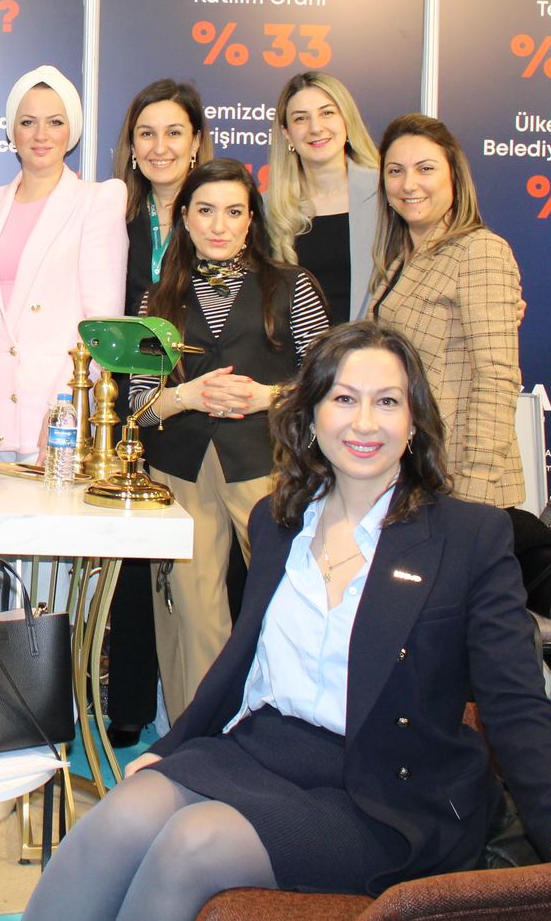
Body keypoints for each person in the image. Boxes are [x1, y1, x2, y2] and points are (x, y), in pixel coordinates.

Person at [25, 322, 551, 921]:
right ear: (311, 415)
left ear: (414, 422)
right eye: (344, 399)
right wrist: (172, 746)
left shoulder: (468, 538)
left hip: (391, 790)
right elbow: (243, 659)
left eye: (388, 402)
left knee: (193, 842)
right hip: (268, 748)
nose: (364, 422)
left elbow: (513, 697)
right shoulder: (277, 521)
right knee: (122, 813)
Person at [128, 158, 329, 719]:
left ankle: (295, 727)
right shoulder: (156, 299)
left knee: (289, 600)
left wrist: (267, 397)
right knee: (192, 613)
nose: (219, 225)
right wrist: (187, 395)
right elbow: (139, 404)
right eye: (206, 210)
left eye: (234, 212)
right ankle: (196, 734)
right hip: (180, 469)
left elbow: (328, 385)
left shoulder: (291, 286)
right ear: (184, 219)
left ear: (251, 220)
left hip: (268, 465)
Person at [0, 65, 127, 455]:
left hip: (51, 416)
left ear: (71, 131)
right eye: (28, 122)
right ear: (12, 131)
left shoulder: (98, 201)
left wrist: (66, 409)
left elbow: (100, 326)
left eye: (55, 122)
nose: (41, 135)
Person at [363, 114, 523, 505]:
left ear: (454, 176)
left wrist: (475, 491)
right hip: (410, 474)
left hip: (458, 481)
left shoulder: (480, 251)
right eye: (396, 171)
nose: (408, 184)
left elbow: (496, 380)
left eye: (425, 169)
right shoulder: (400, 260)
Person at [264, 71, 381, 322]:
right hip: (299, 347)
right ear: (287, 133)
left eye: (327, 113)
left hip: (373, 343)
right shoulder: (268, 208)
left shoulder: (385, 195)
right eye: (301, 118)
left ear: (346, 120)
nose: (315, 128)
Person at [111, 79, 211, 315]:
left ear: (195, 142)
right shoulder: (115, 217)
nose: (159, 148)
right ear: (133, 146)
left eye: (173, 133)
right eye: (147, 134)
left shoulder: (220, 217)